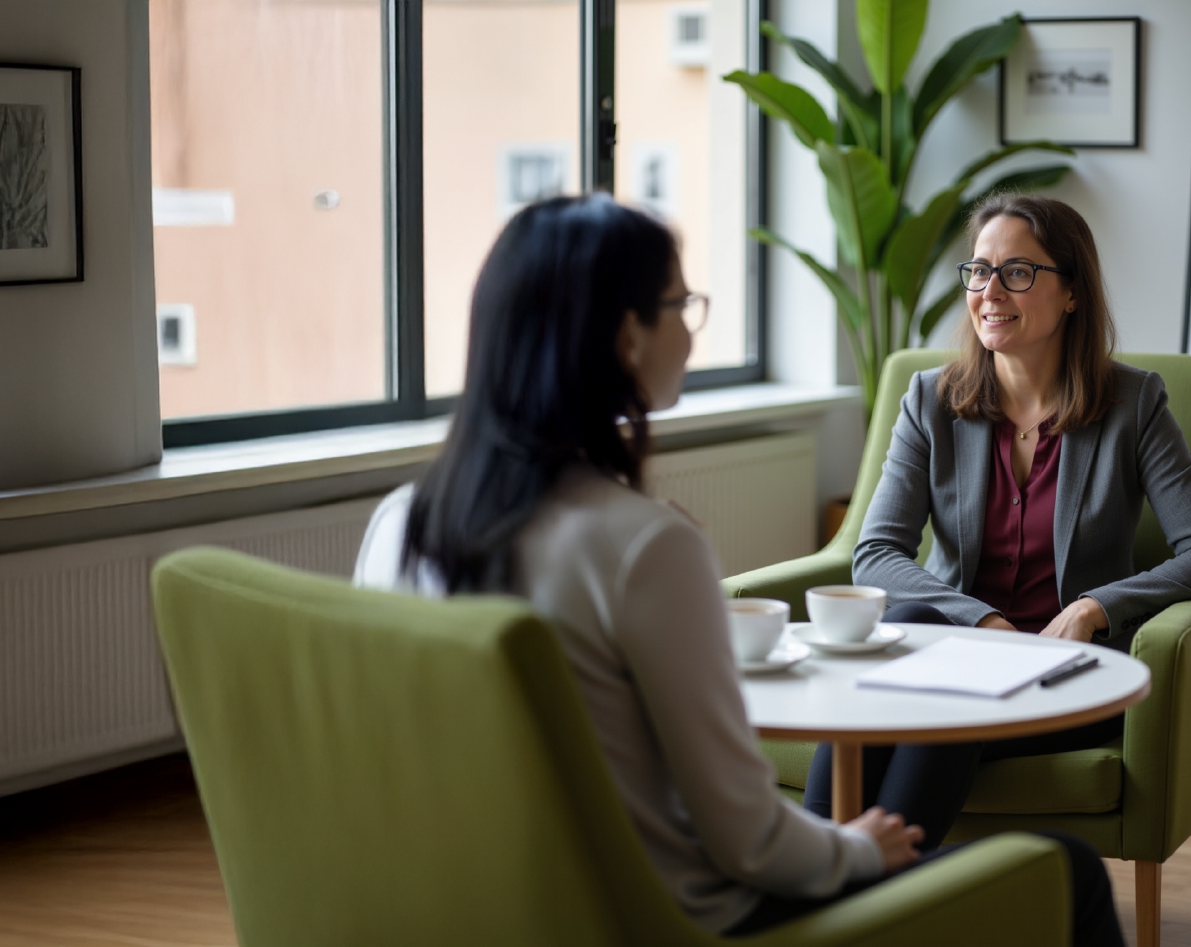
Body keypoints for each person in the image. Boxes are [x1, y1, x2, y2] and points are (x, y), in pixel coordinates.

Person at [354, 194, 1123, 944]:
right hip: (678, 913)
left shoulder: (400, 523)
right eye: (681, 303)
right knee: (1072, 875)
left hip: (485, 905)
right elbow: (748, 839)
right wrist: (857, 848)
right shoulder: (646, 549)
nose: (691, 330)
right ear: (628, 335)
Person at [801, 194, 1191, 852]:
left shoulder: (1133, 404)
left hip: (1061, 674)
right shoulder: (931, 400)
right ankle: (834, 877)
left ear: (1071, 293)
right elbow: (876, 554)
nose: (990, 290)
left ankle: (847, 888)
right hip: (949, 653)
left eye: (1018, 272)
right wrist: (981, 623)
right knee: (923, 636)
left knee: (927, 691)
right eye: (979, 271)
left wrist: (1097, 605)